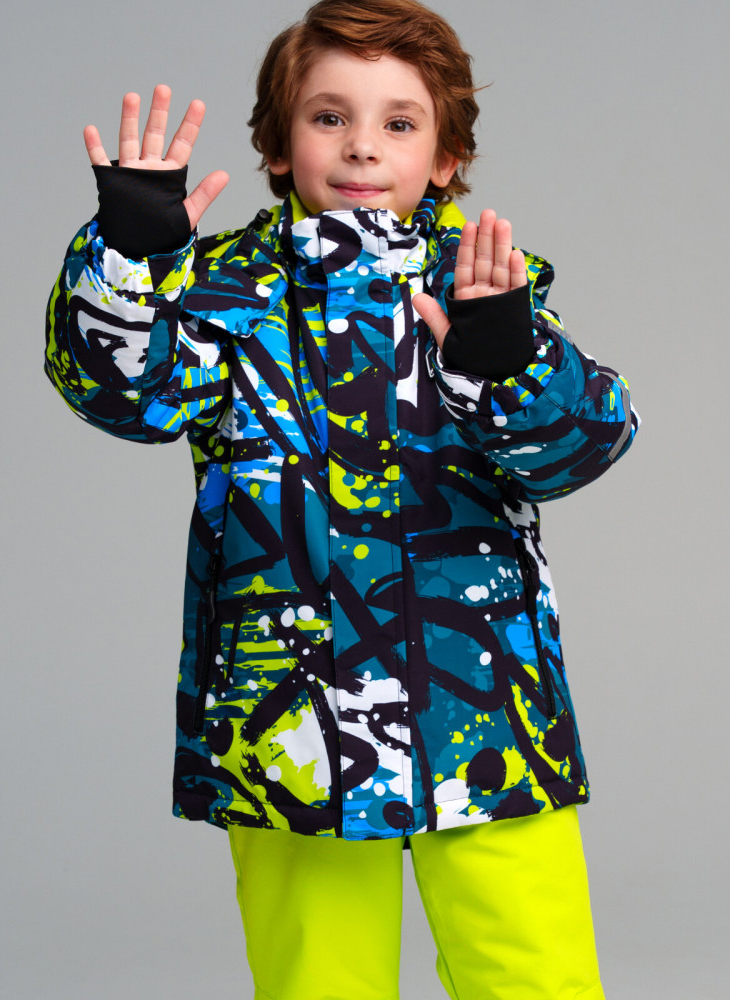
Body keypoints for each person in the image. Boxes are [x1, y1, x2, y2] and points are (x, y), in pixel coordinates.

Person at [45, 1, 638, 996]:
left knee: (534, 976)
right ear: (279, 146)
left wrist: (511, 365)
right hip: (291, 719)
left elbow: (584, 449)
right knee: (318, 981)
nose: (363, 144)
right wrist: (129, 262)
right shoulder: (224, 298)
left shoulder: (483, 292)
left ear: (447, 156)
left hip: (487, 709)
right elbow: (123, 395)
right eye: (329, 116)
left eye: (400, 122)